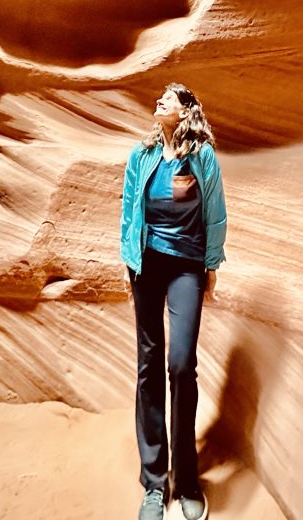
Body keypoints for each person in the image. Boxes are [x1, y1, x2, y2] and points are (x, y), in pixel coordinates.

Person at [120, 83, 227, 520]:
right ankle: (154, 483)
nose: (160, 99)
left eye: (171, 97)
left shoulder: (201, 158)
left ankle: (186, 478)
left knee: (180, 364)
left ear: (186, 112)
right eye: (160, 96)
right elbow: (129, 209)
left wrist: (212, 266)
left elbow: (215, 212)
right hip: (146, 266)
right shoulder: (140, 156)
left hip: (186, 268)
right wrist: (128, 261)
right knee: (149, 364)